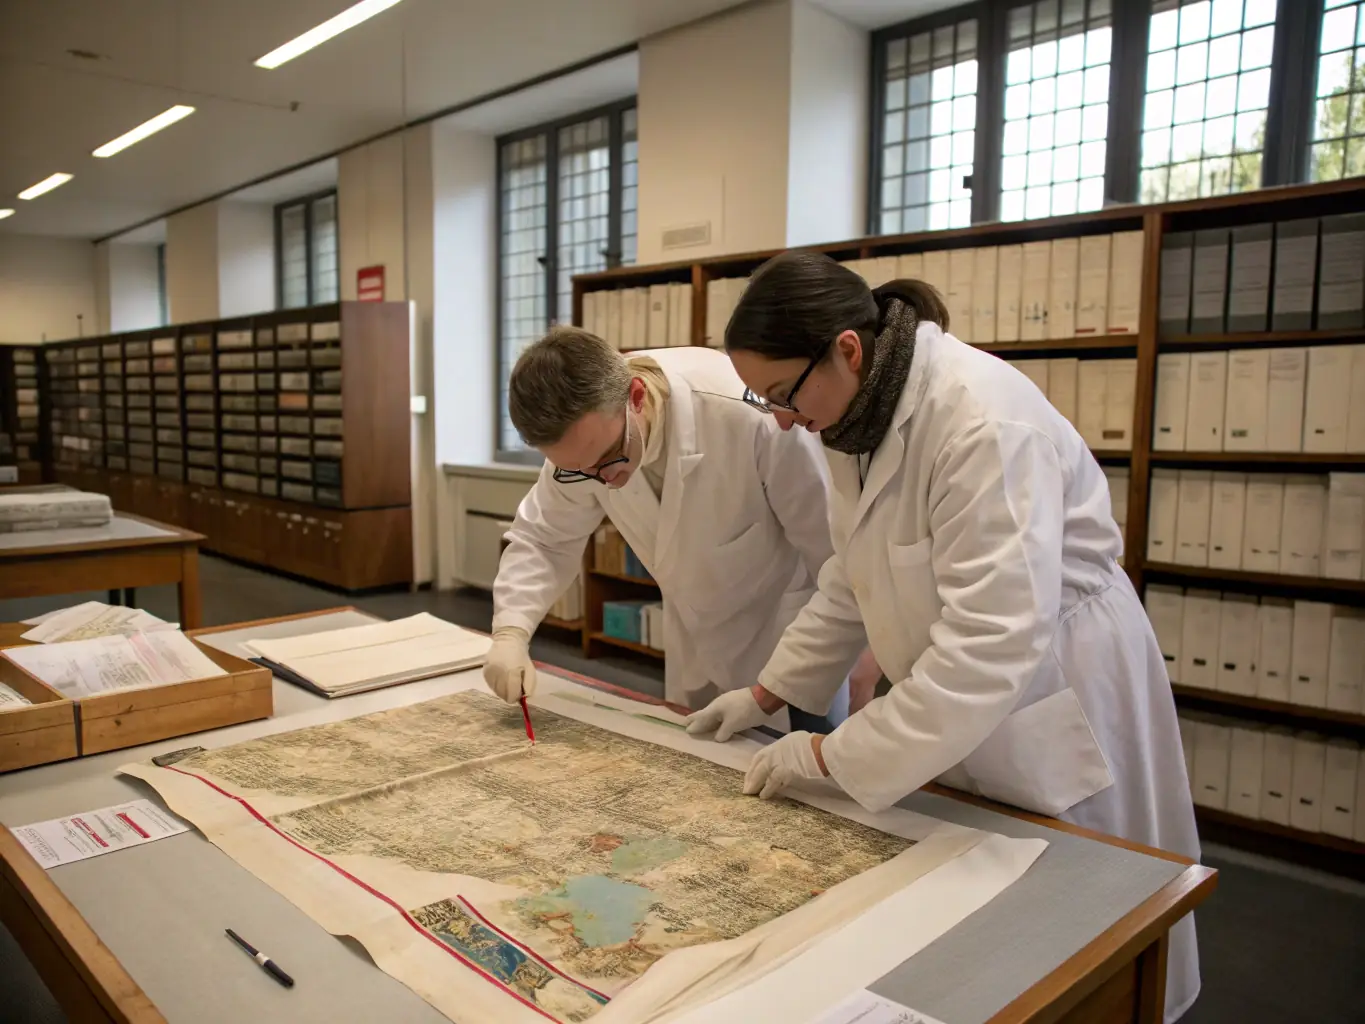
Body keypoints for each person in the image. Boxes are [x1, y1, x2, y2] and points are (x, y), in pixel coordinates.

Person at [684, 251, 1201, 1022]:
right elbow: (851, 578)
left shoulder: (981, 421)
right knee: (984, 918)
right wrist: (768, 691)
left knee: (1087, 927)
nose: (783, 420)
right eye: (765, 402)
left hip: (1056, 679)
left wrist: (827, 751)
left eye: (784, 394)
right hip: (966, 686)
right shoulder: (853, 419)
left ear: (847, 349)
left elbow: (990, 647)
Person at [484, 326, 848, 726]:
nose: (601, 480)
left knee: (800, 777)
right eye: (578, 471)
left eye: (608, 457)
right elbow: (544, 540)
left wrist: (834, 664)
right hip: (694, 646)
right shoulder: (582, 439)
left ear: (636, 397)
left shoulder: (749, 415)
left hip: (792, 638)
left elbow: (833, 556)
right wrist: (510, 633)